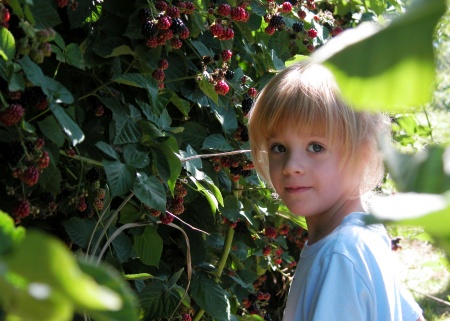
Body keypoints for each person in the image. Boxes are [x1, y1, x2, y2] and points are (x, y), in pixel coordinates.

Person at [247, 59, 425, 321]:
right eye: (279, 148)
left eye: (316, 147)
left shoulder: (340, 254)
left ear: (363, 152)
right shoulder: (364, 234)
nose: (291, 166)